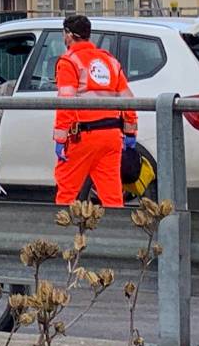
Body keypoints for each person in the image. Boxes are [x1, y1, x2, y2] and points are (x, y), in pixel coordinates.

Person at [52, 15, 137, 207]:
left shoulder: (69, 62)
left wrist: (60, 139)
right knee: (112, 196)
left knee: (67, 193)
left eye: (64, 34)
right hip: (111, 137)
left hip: (82, 137)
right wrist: (130, 132)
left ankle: (62, 234)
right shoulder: (109, 61)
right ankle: (117, 235)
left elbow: (66, 103)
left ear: (69, 34)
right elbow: (128, 100)